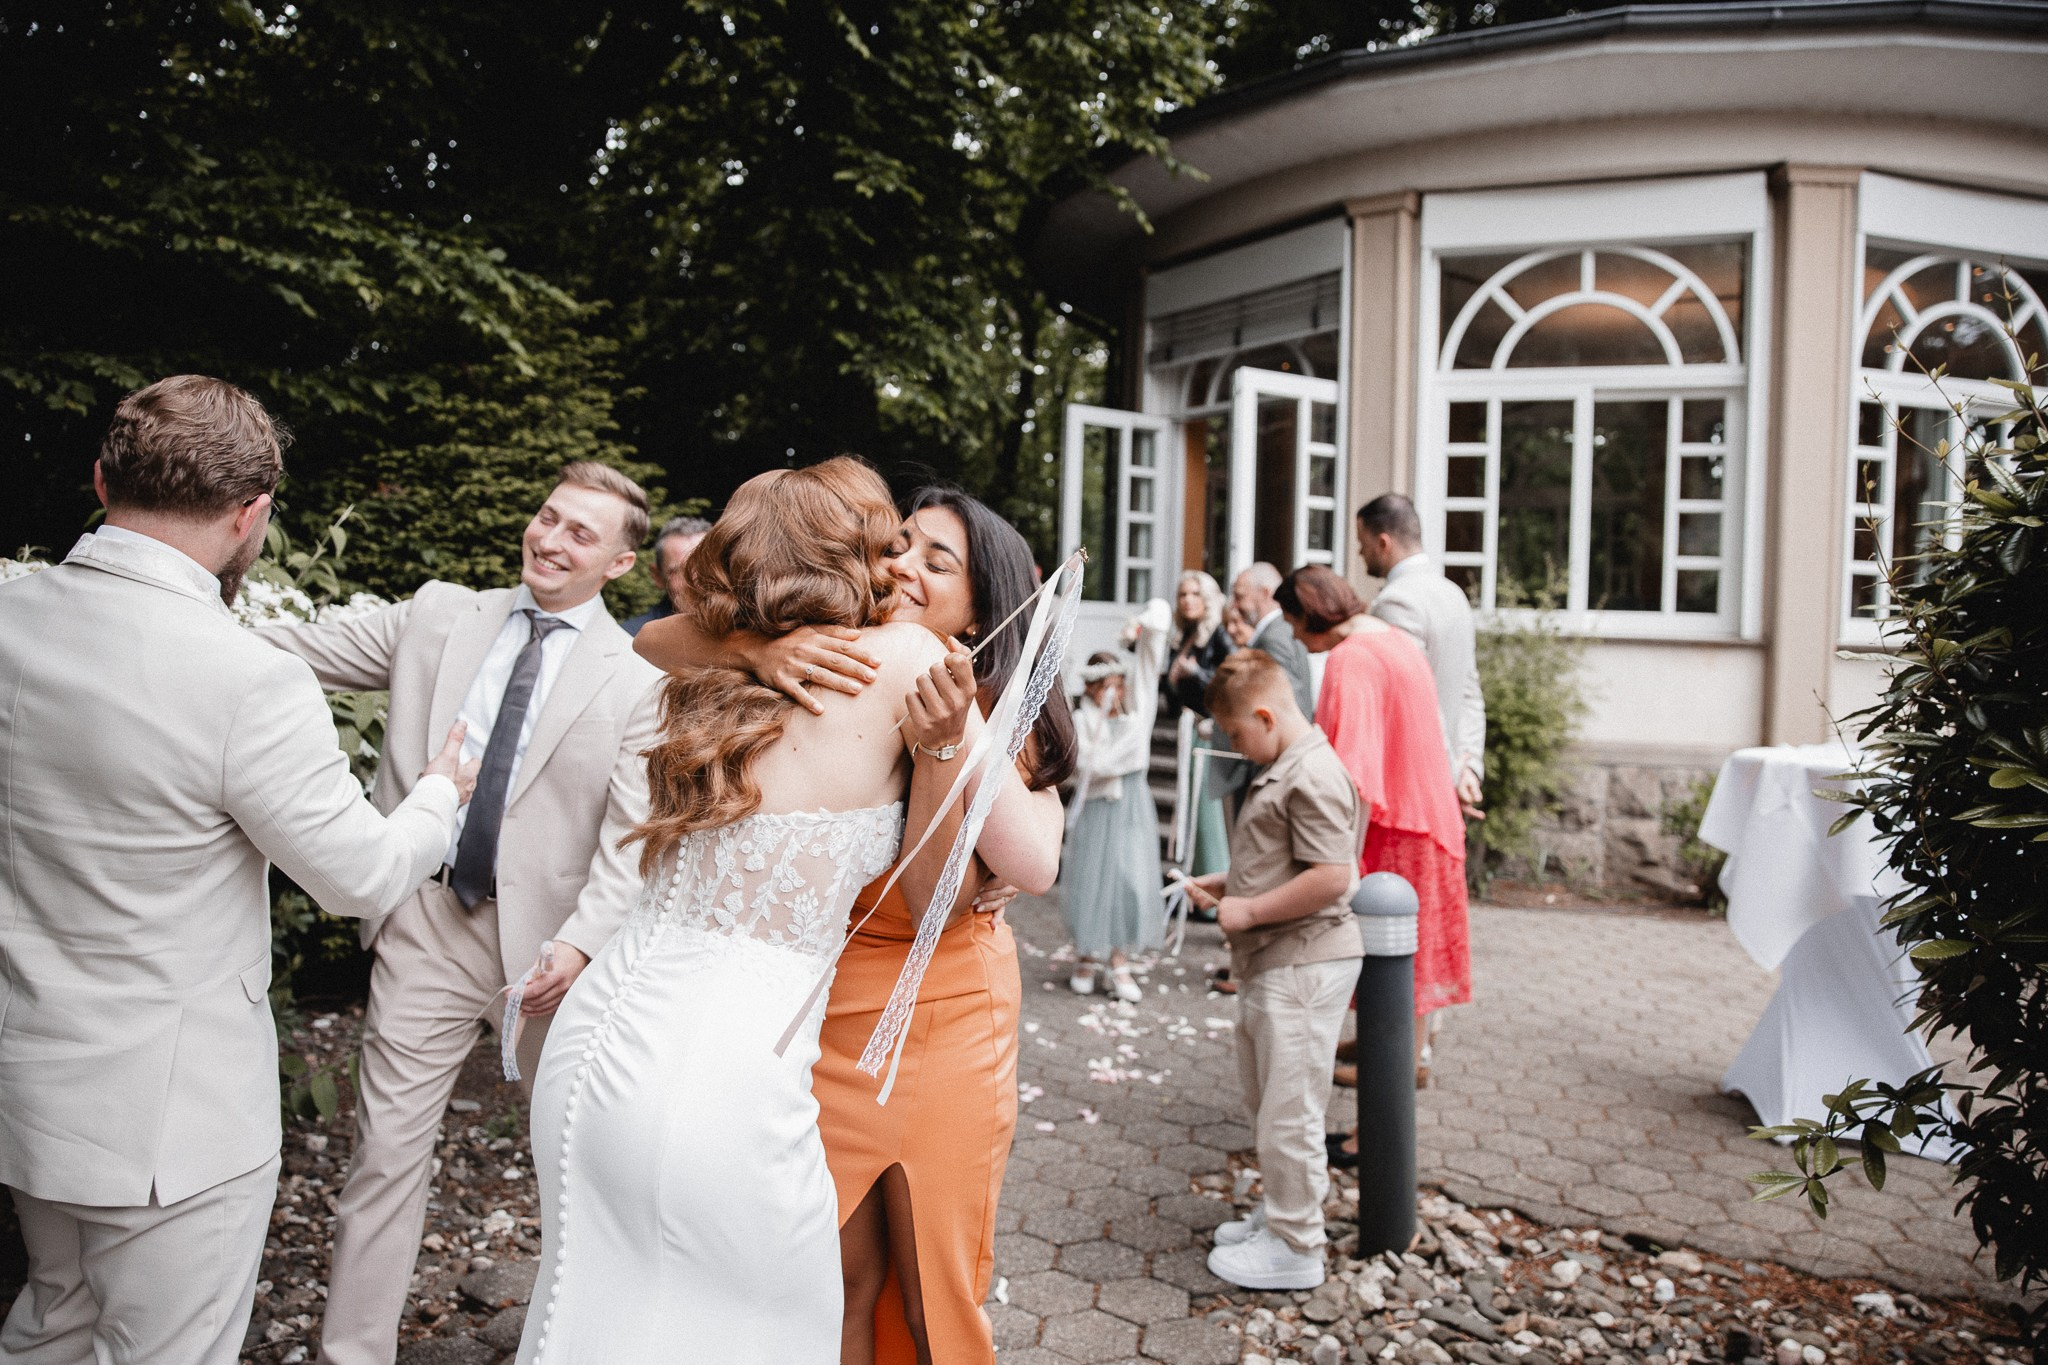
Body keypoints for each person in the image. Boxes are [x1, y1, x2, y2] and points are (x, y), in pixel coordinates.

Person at [0, 376, 476, 1365]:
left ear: (100, 479)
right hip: (175, 1126)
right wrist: (440, 793)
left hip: (28, 1081)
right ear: (250, 514)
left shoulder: (12, 620)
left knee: (51, 1322)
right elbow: (360, 876)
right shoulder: (248, 678)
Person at [513, 458, 991, 1363]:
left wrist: (751, 646)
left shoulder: (706, 662)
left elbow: (653, 635)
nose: (901, 568)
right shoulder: (908, 660)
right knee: (767, 1327)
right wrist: (938, 755)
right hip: (721, 1071)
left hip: (597, 1040)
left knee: (596, 1310)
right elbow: (933, 904)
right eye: (889, 546)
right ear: (844, 553)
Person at [636, 486, 1071, 1365]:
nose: (904, 565)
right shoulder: (841, 650)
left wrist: (950, 738)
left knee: (932, 1284)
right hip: (823, 1009)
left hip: (941, 1011)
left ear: (984, 603)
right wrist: (757, 643)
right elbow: (651, 638)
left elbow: (1029, 864)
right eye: (901, 543)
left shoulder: (987, 701)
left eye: (936, 561)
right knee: (821, 1265)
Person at [259, 461, 664, 1365]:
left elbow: (630, 838)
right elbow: (295, 647)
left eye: (580, 533)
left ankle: (584, 1343)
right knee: (383, 1156)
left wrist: (583, 944)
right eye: (547, 517)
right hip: (429, 926)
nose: (550, 540)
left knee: (583, 1167)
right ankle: (350, 1352)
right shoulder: (441, 613)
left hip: (552, 961)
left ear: (622, 566)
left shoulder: (636, 674)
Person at [1183, 650, 1362, 1292]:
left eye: (1236, 734)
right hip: (1278, 963)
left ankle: (1296, 1244)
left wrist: (1249, 908)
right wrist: (1230, 882)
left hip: (1304, 964)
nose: (1235, 745)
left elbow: (1333, 877)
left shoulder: (1311, 773)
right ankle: (1283, 1212)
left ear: (1264, 714)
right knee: (1272, 1104)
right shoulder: (1288, 762)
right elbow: (1289, 859)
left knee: (1289, 1111)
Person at [1278, 566, 1470, 1110]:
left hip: (1396, 830)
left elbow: (1349, 769)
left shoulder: (1349, 658)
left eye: (1293, 623)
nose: (1294, 638)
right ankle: (1399, 1073)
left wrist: (1322, 850)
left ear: (1311, 614)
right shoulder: (1394, 641)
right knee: (1411, 972)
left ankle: (1376, 1133)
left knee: (1392, 977)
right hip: (1432, 818)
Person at [1060, 598, 1172, 1002]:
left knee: (1128, 880)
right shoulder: (1081, 719)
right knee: (1091, 877)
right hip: (1096, 807)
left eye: (1118, 684)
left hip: (1129, 808)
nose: (1114, 692)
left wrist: (1139, 625)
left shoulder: (1135, 714)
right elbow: (1085, 764)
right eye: (1105, 686)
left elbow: (1160, 619)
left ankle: (1119, 959)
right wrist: (1114, 758)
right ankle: (1088, 954)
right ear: (1091, 687)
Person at [1356, 494, 1485, 820]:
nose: (1360, 553)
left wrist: (1450, 778)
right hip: (1446, 768)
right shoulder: (1453, 593)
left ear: (1383, 542)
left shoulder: (1396, 602)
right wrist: (1468, 765)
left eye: (1362, 542)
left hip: (1411, 780)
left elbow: (1418, 698)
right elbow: (1470, 691)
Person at [1165, 569, 1234, 879]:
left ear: (1207, 598)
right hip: (1188, 728)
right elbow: (1172, 694)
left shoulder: (1219, 633)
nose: (1188, 600)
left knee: (1207, 812)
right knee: (1192, 809)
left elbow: (1233, 679)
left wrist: (1197, 673)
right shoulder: (1185, 637)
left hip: (1209, 731)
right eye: (1183, 594)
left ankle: (1214, 884)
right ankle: (1198, 882)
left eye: (1195, 594)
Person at [1230, 562, 1315, 719]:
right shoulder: (1279, 631)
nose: (1235, 605)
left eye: (1240, 596)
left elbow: (1288, 699)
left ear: (1265, 593)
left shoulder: (1273, 638)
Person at [621, 513, 711, 636]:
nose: (695, 581)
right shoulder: (631, 640)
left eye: (705, 568)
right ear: (657, 576)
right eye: (681, 572)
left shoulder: (743, 630)